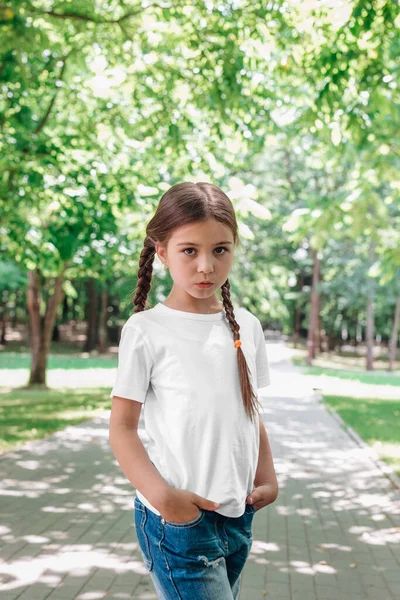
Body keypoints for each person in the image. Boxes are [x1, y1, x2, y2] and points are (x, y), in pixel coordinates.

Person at [109, 181, 278, 600]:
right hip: (178, 523)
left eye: (220, 250)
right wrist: (166, 499)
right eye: (190, 250)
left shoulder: (248, 327)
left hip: (238, 516)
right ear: (162, 251)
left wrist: (268, 479)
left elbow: (248, 412)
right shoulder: (146, 330)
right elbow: (122, 429)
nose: (206, 266)